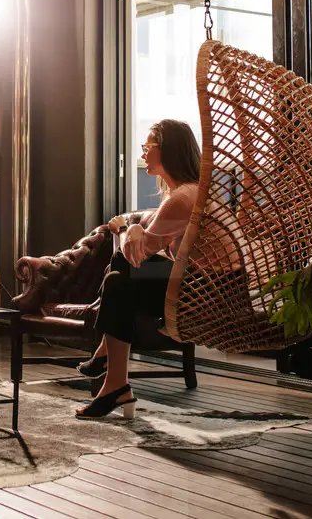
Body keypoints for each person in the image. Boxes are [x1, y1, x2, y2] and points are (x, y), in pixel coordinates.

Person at [74, 119, 201, 420]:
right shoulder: (186, 193)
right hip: (195, 282)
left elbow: (135, 255)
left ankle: (113, 375)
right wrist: (131, 232)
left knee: (120, 275)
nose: (143, 153)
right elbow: (142, 253)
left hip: (199, 292)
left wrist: (123, 227)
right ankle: (114, 381)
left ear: (167, 151)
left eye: (148, 147)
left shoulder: (182, 198)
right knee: (118, 280)